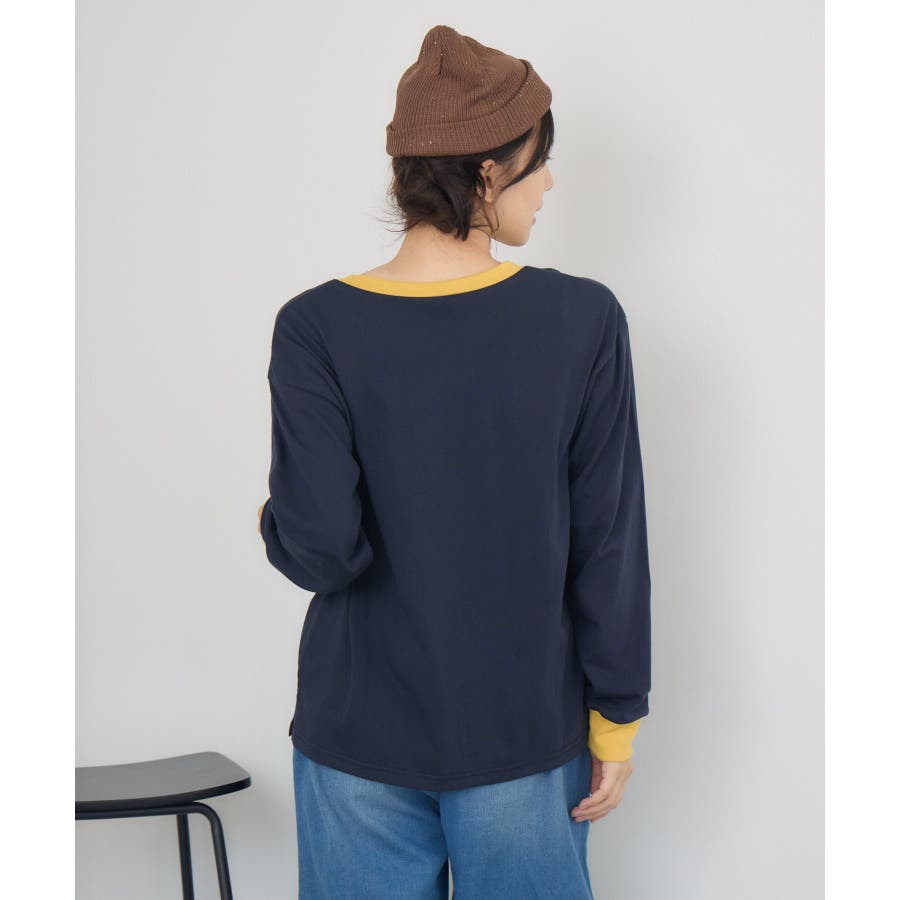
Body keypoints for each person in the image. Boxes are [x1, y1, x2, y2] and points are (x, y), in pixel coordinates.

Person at [257, 24, 651, 900]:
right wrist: (616, 720)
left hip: (355, 737)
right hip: (520, 734)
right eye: (539, 159)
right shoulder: (582, 320)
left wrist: (271, 521)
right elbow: (608, 540)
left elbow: (321, 548)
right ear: (487, 172)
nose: (549, 182)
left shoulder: (313, 326)